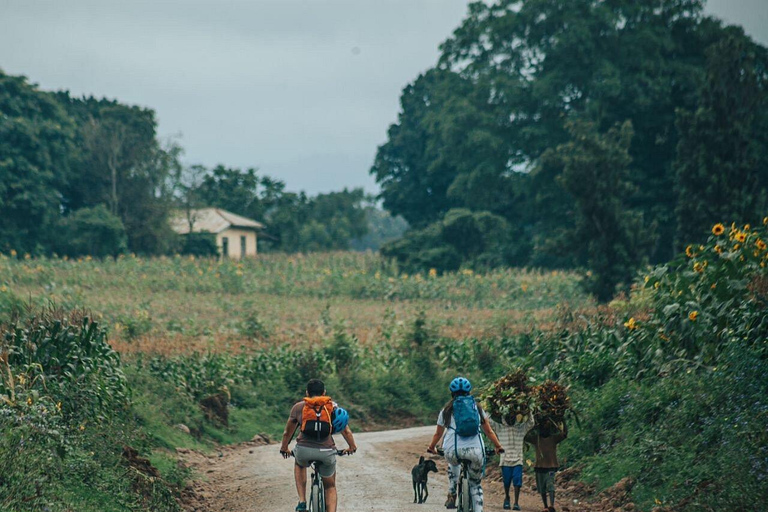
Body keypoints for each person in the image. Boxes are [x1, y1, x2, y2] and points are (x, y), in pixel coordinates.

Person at [427, 376, 505, 511]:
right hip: (475, 452)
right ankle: (478, 509)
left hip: (453, 451)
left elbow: (438, 434)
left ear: (452, 393)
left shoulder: (446, 410)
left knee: (453, 463)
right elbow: (489, 431)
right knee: (475, 484)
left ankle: (452, 492)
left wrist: (431, 447)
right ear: (469, 392)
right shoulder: (477, 408)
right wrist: (498, 446)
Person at [280, 379, 357, 512]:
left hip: (304, 450)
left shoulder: (299, 407)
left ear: (307, 392)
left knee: (299, 464)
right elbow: (346, 431)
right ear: (324, 392)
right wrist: (351, 447)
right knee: (330, 486)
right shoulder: (332, 407)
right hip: (326, 451)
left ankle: (302, 501)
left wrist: (284, 448)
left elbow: (288, 433)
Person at [489, 412, 535, 510]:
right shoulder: (500, 428)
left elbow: (531, 423)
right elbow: (489, 421)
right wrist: (490, 409)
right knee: (506, 482)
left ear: (515, 418)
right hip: (505, 460)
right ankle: (507, 498)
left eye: (512, 417)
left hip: (517, 460)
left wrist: (529, 410)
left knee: (517, 482)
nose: (510, 419)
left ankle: (516, 502)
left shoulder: (520, 429)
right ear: (504, 418)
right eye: (508, 417)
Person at [525, 419, 568, 512]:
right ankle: (545, 506)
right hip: (540, 468)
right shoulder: (536, 439)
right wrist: (532, 427)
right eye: (543, 428)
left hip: (551, 468)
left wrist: (563, 421)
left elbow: (564, 434)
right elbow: (525, 436)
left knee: (550, 485)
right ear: (539, 429)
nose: (545, 430)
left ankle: (551, 505)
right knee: (542, 488)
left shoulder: (554, 438)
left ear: (550, 429)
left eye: (547, 428)